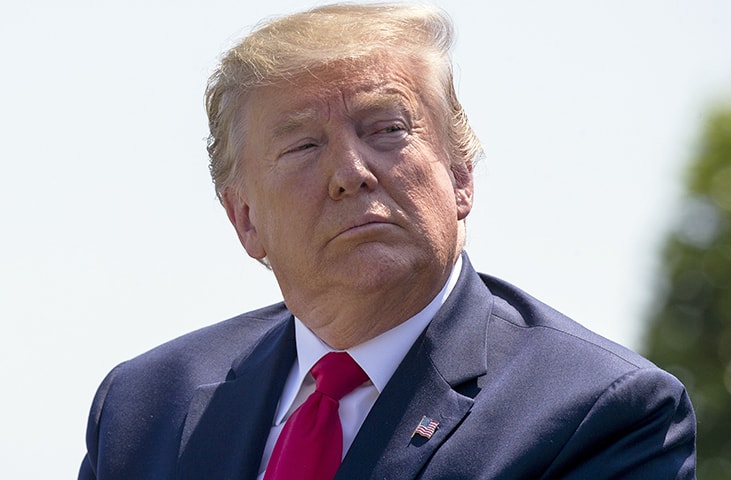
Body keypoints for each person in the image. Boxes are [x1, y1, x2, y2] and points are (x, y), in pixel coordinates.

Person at [78, 3, 696, 479]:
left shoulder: (600, 412)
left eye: (387, 128)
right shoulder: (143, 410)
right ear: (245, 219)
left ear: (460, 174)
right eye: (302, 146)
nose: (351, 172)